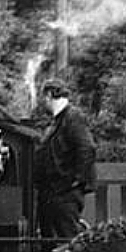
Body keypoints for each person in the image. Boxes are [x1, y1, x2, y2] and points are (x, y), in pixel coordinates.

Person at [36, 78, 97, 238]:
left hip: (65, 193)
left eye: (43, 98)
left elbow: (87, 148)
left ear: (49, 95)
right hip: (56, 191)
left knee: (67, 239)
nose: (43, 103)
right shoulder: (59, 120)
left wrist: (76, 181)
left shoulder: (73, 118)